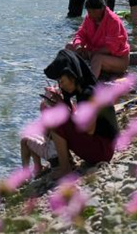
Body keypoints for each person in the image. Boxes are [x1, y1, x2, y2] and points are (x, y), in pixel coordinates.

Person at [44, 49, 119, 179]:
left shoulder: (88, 93)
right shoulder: (85, 89)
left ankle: (65, 168)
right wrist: (63, 103)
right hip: (104, 147)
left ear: (72, 74)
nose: (61, 86)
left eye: (62, 81)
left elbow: (88, 129)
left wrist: (63, 110)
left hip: (102, 150)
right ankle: (67, 163)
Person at [66, 0, 130, 78]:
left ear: (102, 9)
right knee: (69, 47)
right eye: (89, 11)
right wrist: (78, 45)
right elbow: (81, 34)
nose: (91, 14)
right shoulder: (89, 18)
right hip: (94, 52)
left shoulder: (113, 20)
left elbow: (112, 47)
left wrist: (91, 53)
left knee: (97, 58)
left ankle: (90, 84)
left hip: (117, 59)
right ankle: (68, 77)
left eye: (94, 11)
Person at [21, 100, 58, 177]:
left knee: (24, 140)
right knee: (32, 137)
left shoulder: (48, 122)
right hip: (62, 151)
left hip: (54, 155)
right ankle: (37, 167)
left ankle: (25, 174)